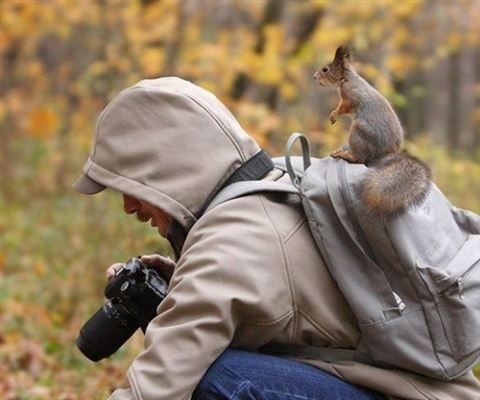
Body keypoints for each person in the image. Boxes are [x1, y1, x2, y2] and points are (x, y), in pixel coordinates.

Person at [74, 77, 480, 400]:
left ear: (162, 170)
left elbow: (156, 387)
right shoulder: (278, 180)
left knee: (215, 378)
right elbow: (283, 295)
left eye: (130, 186)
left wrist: (193, 282)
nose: (129, 206)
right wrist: (180, 278)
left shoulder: (229, 243)